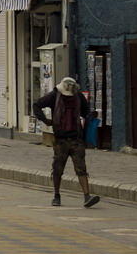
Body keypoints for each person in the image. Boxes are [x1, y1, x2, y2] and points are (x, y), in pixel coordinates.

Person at [33, 77, 101, 208]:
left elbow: (86, 112)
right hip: (60, 139)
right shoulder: (54, 96)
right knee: (57, 169)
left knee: (81, 168)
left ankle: (87, 196)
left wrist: (91, 116)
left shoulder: (79, 96)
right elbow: (37, 105)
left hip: (76, 139)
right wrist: (45, 120)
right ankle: (56, 195)